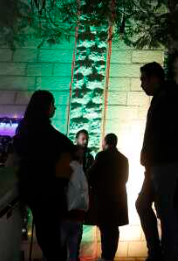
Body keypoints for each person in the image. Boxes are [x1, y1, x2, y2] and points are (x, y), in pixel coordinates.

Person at [136, 62, 178, 261]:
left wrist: (151, 156)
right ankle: (158, 251)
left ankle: (167, 254)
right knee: (144, 204)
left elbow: (165, 133)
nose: (142, 84)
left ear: (155, 78)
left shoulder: (169, 98)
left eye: (144, 79)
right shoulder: (162, 97)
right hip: (157, 162)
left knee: (164, 209)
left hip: (165, 162)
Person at [14, 90, 74, 261]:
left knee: (46, 236)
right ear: (46, 107)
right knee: (53, 240)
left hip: (33, 191)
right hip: (50, 192)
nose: (54, 108)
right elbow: (68, 151)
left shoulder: (25, 129)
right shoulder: (52, 136)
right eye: (52, 104)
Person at [87, 133, 130, 261]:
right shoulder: (124, 159)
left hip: (104, 199)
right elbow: (125, 179)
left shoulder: (101, 156)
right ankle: (110, 256)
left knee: (105, 228)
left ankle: (106, 256)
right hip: (118, 199)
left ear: (105, 142)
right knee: (113, 228)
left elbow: (91, 175)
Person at [61, 148, 90, 261]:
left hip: (67, 214)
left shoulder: (67, 167)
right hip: (79, 215)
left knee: (58, 248)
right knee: (73, 251)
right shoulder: (81, 170)